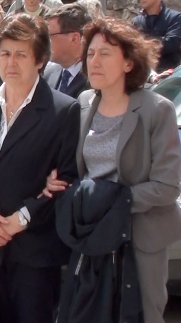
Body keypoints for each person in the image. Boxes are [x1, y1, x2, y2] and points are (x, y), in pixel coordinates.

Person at [45, 18, 181, 323]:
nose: (94, 61)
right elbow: (78, 170)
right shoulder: (83, 102)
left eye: (105, 54)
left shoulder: (156, 109)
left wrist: (113, 199)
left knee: (142, 315)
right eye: (90, 54)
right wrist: (59, 182)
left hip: (141, 235)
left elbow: (168, 187)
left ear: (129, 63)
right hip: (94, 234)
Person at [0, 13, 80, 323]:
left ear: (40, 60)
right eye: (5, 53)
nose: (11, 62)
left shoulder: (64, 111)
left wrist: (21, 218)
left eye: (21, 54)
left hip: (34, 256)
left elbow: (67, 182)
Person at [43, 4, 91, 99]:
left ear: (74, 38)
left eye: (49, 36)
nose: (44, 42)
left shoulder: (94, 78)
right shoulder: (47, 73)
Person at [132, 0, 181, 73]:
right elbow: (133, 46)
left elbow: (171, 44)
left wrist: (143, 42)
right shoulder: (136, 21)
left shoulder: (175, 17)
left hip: (168, 75)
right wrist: (160, 39)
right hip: (144, 76)